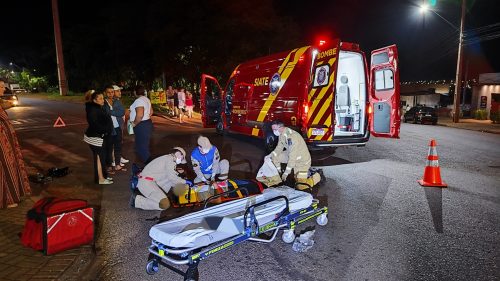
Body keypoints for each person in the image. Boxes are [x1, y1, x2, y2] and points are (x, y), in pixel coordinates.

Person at [0, 78, 31, 208]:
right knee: (5, 167)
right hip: (2, 142)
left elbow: (6, 104)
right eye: (1, 86)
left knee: (10, 165)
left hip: (5, 141)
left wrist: (11, 103)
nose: (4, 88)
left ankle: (12, 196)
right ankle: (7, 199)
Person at [269, 120, 321, 190]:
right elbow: (279, 148)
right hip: (292, 155)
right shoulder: (282, 134)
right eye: (273, 130)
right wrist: (270, 156)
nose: (274, 131)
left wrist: (287, 172)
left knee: (300, 186)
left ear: (281, 127)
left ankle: (317, 176)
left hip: (302, 162)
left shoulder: (292, 138)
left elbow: (292, 157)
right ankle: (280, 172)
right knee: (274, 157)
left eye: (275, 129)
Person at [84, 91, 114, 185]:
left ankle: (101, 177)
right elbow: (95, 124)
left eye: (102, 98)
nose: (103, 100)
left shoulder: (97, 108)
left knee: (99, 157)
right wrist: (104, 131)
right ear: (94, 100)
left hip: (98, 136)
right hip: (96, 137)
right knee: (100, 158)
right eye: (100, 99)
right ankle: (101, 179)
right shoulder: (93, 110)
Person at [130, 85, 153, 164]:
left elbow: (140, 115)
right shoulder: (146, 99)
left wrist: (134, 123)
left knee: (141, 148)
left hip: (141, 125)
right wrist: (146, 118)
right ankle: (150, 164)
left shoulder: (138, 101)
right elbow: (151, 112)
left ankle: (151, 166)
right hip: (146, 123)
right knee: (144, 146)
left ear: (135, 92)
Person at [112, 85, 129, 166]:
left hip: (120, 123)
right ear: (113, 92)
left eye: (120, 90)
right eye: (117, 91)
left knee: (119, 142)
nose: (120, 92)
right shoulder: (113, 101)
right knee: (115, 142)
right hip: (116, 125)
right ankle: (115, 160)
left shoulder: (117, 100)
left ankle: (118, 157)